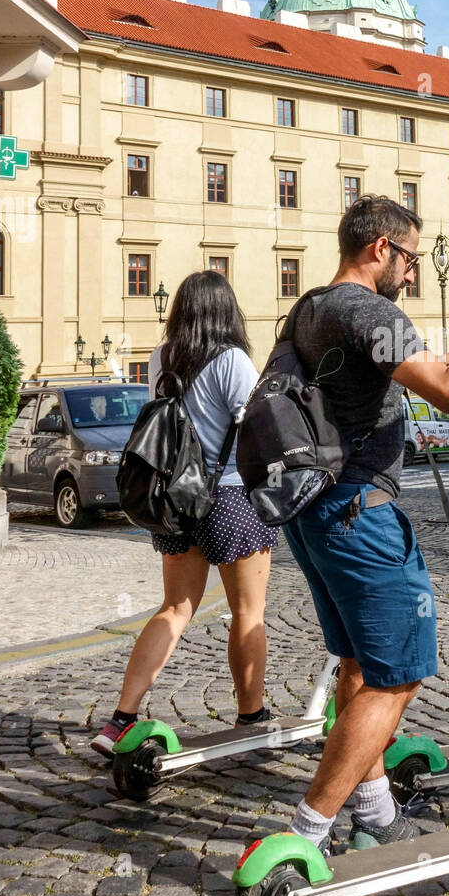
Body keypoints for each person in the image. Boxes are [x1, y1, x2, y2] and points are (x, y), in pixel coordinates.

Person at [278, 194, 449, 852]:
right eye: (410, 259)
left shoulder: (309, 307)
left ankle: (374, 811)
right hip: (360, 515)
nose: (414, 273)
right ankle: (308, 833)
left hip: (315, 514)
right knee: (397, 675)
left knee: (361, 668)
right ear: (379, 249)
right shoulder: (369, 308)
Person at [91, 271, 278, 755]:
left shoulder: (161, 357)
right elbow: (259, 424)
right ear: (226, 311)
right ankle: (250, 716)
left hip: (175, 502)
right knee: (247, 611)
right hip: (230, 497)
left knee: (175, 608)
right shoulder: (232, 360)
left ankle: (120, 718)